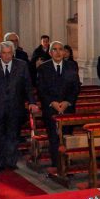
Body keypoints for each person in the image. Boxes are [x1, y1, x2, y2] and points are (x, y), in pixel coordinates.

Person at [0, 41, 37, 173]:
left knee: (13, 136)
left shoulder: (22, 65)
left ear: (13, 53)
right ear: (0, 54)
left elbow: (28, 86)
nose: (7, 56)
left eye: (9, 53)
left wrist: (32, 102)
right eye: (4, 53)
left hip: (15, 106)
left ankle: (11, 161)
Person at [36, 41, 80, 169]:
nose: (58, 52)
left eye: (60, 49)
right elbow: (41, 89)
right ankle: (58, 166)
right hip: (51, 109)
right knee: (54, 139)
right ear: (50, 53)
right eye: (54, 49)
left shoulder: (71, 66)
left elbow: (76, 87)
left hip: (68, 109)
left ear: (64, 51)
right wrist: (52, 102)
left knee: (67, 137)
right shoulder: (43, 68)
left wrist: (67, 102)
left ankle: (68, 164)